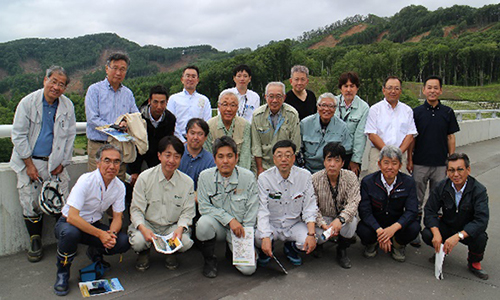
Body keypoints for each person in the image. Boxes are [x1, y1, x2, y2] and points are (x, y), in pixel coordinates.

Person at [10, 65, 76, 263]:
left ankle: (63, 240)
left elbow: (71, 136)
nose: (56, 87)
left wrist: (63, 163)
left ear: (65, 88)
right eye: (53, 81)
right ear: (45, 80)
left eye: (61, 84)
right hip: (30, 161)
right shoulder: (28, 103)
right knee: (30, 202)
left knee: (60, 201)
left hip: (55, 164)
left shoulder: (67, 105)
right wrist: (28, 164)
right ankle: (35, 240)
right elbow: (19, 135)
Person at [53, 145, 130, 296]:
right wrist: (100, 235)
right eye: (107, 161)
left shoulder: (119, 186)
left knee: (123, 241)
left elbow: (117, 218)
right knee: (70, 234)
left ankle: (95, 250)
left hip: (93, 226)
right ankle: (63, 272)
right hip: (69, 224)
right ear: (98, 162)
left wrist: (111, 235)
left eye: (116, 162)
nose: (112, 166)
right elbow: (72, 217)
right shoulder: (86, 180)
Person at [407, 75, 460, 247]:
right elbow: (412, 139)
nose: (432, 91)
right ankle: (414, 232)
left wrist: (451, 163)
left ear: (441, 90)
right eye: (429, 87)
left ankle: (433, 231)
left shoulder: (448, 112)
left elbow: (450, 137)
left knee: (438, 200)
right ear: (423, 90)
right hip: (420, 162)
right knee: (417, 199)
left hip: (441, 165)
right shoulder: (416, 112)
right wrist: (409, 159)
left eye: (435, 88)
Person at [129, 136, 195, 271]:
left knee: (186, 242)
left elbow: (187, 212)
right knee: (138, 241)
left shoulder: (187, 182)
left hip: (171, 227)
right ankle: (143, 253)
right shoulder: (145, 178)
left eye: (176, 156)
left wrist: (180, 228)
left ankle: (171, 253)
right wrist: (143, 228)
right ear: (159, 156)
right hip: (148, 224)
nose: (171, 160)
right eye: (167, 155)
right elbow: (136, 210)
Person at [196, 136, 259, 278]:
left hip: (240, 229)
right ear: (214, 159)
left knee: (249, 270)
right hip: (219, 226)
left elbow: (252, 209)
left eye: (230, 156)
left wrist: (248, 242)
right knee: (203, 224)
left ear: (236, 158)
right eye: (221, 156)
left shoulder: (248, 177)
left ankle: (234, 251)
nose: (225, 161)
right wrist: (230, 220)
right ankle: (209, 260)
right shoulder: (205, 177)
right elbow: (204, 207)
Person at [422, 153, 489, 280]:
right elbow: (430, 211)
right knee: (427, 234)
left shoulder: (479, 190)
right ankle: (441, 251)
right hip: (448, 225)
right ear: (447, 172)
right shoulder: (441, 186)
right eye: (451, 170)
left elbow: (482, 220)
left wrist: (459, 236)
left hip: (466, 230)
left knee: (481, 237)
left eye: (460, 169)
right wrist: (436, 233)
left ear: (468, 170)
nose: (456, 174)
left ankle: (474, 262)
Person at [256, 140, 318, 267]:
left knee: (308, 239)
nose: (284, 159)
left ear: (294, 158)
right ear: (274, 159)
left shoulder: (305, 176)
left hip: (293, 224)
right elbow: (262, 209)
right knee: (258, 236)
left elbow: (309, 207)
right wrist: (265, 236)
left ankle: (291, 248)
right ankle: (267, 248)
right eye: (279, 155)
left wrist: (311, 234)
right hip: (272, 224)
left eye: (288, 155)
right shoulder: (264, 178)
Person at [356, 145, 419, 262]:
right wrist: (379, 230)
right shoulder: (368, 182)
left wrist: (393, 228)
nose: (390, 167)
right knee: (362, 229)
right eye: (386, 163)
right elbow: (364, 211)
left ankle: (397, 244)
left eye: (394, 163)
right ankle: (372, 243)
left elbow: (412, 210)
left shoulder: (408, 182)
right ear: (379, 164)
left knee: (414, 227)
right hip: (376, 224)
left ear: (400, 165)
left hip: (396, 223)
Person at [85, 52, 139, 180]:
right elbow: (92, 119)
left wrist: (127, 123)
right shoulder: (94, 90)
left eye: (122, 69)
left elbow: (135, 116)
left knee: (117, 182)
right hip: (98, 145)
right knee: (96, 182)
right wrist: (115, 127)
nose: (118, 73)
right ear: (106, 69)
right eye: (115, 68)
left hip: (119, 147)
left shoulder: (128, 93)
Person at [312, 142, 360, 268]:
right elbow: (312, 206)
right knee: (315, 233)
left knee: (352, 223)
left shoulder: (351, 177)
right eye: (329, 159)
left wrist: (341, 219)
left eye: (337, 160)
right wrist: (323, 224)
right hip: (324, 218)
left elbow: (354, 202)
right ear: (324, 162)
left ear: (343, 163)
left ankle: (342, 249)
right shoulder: (314, 179)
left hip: (342, 217)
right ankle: (319, 245)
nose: (332, 164)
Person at [364, 76, 417, 173]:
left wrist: (398, 153)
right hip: (378, 153)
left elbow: (410, 135)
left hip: (400, 154)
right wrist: (388, 153)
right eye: (390, 88)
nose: (393, 91)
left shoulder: (407, 110)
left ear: (400, 91)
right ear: (384, 90)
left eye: (397, 88)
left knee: (399, 185)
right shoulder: (375, 109)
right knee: (375, 184)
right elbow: (372, 134)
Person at [128, 85, 176, 186]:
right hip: (138, 156)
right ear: (149, 101)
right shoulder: (139, 117)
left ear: (167, 102)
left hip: (157, 159)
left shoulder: (170, 119)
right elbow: (134, 145)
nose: (159, 106)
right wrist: (135, 170)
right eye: (155, 102)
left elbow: (166, 144)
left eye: (162, 102)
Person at [251, 82, 301, 175]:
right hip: (264, 165)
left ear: (284, 97)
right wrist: (260, 170)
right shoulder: (257, 116)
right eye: (271, 96)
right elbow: (256, 146)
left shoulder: (292, 114)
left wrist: (287, 167)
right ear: (265, 97)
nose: (274, 100)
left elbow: (295, 144)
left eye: (278, 96)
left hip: (286, 163)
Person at [300, 93, 352, 174]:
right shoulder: (304, 124)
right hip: (308, 170)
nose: (327, 109)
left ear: (335, 109)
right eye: (323, 105)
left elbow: (347, 152)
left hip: (332, 172)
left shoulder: (343, 127)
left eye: (331, 106)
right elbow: (299, 150)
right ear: (317, 106)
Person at [204, 90, 251, 170]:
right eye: (225, 105)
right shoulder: (209, 126)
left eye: (233, 105)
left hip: (239, 171)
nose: (229, 109)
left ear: (237, 107)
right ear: (219, 106)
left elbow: (245, 157)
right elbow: (209, 156)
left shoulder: (245, 125)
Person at [335, 72, 369, 176]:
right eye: (345, 86)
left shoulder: (364, 108)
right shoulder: (331, 102)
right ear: (341, 88)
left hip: (349, 154)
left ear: (357, 88)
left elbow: (360, 136)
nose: (349, 90)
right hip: (331, 152)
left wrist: (355, 160)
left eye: (352, 86)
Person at [167, 65, 212, 142]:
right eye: (187, 76)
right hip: (177, 140)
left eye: (193, 76)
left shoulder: (204, 100)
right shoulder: (173, 99)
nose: (190, 79)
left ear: (197, 80)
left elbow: (207, 122)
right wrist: (181, 140)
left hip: (198, 141)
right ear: (182, 79)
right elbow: (170, 122)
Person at [178, 118, 215, 190]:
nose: (195, 137)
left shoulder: (210, 161)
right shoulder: (177, 154)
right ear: (186, 135)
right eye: (192, 133)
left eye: (200, 134)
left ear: (205, 137)